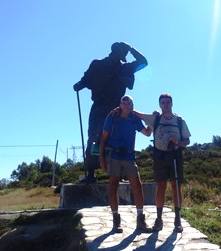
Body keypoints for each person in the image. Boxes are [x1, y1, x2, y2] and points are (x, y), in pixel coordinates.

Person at [73, 42, 148, 184]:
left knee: (118, 140)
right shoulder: (97, 64)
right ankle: (90, 173)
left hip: (116, 110)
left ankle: (120, 174)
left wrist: (131, 48)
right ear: (114, 52)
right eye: (120, 53)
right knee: (93, 138)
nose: (121, 57)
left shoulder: (125, 68)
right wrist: (79, 85)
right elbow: (86, 79)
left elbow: (143, 62)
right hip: (99, 107)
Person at [134, 93, 191, 233]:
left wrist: (178, 142)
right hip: (160, 157)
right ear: (160, 104)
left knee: (176, 186)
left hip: (175, 156)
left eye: (168, 102)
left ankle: (177, 219)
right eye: (163, 102)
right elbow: (138, 114)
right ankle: (159, 219)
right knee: (161, 187)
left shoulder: (179, 121)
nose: (165, 105)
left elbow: (187, 141)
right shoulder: (155, 119)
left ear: (172, 104)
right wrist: (121, 107)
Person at [100, 95, 152, 233]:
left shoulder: (134, 119)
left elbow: (147, 133)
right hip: (113, 155)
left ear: (132, 106)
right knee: (113, 186)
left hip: (129, 156)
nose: (126, 105)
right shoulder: (112, 117)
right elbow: (103, 139)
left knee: (137, 186)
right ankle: (116, 220)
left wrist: (152, 121)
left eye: (129, 103)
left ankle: (141, 220)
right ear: (120, 105)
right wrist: (102, 158)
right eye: (124, 103)